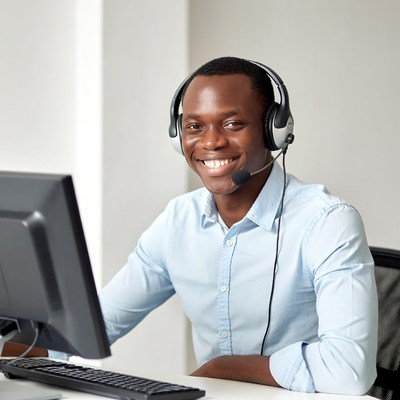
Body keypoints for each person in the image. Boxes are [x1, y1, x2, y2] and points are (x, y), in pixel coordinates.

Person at [2, 56, 378, 395]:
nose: (211, 142)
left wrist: (223, 368)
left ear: (273, 131)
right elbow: (90, 330)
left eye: (232, 123)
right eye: (194, 126)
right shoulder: (178, 221)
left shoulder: (327, 221)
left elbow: (348, 370)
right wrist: (12, 341)